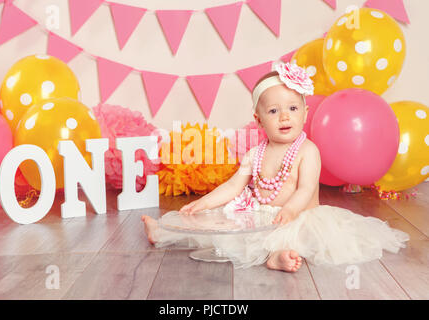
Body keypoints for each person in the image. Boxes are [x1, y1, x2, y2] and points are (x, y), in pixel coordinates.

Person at [142, 62, 409, 272]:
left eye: (293, 108)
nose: (284, 116)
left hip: (299, 216)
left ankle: (277, 257)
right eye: (273, 111)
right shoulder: (255, 153)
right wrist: (204, 203)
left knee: (296, 237)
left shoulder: (308, 151)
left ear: (304, 113)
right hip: (259, 217)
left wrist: (291, 210)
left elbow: (305, 189)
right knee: (213, 230)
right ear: (259, 120)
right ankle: (161, 232)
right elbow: (233, 186)